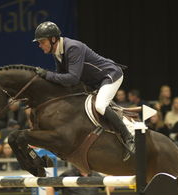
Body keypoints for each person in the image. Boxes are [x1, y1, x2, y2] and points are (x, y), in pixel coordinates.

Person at [33, 21, 134, 160]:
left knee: (100, 106)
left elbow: (72, 78)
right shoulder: (57, 52)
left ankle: (128, 138)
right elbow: (61, 79)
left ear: (53, 39)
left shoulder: (73, 47)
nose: (40, 45)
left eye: (42, 41)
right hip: (94, 82)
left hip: (110, 75)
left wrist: (47, 74)